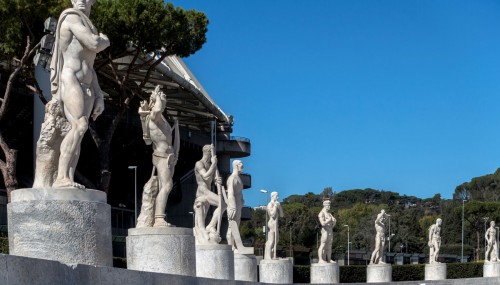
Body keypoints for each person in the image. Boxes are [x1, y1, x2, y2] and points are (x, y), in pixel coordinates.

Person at [50, 0, 110, 188]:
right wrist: (105, 40)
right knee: (79, 125)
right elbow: (94, 43)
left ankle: (68, 177)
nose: (81, 1)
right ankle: (61, 178)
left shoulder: (89, 25)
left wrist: (100, 95)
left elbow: (89, 68)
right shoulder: (71, 17)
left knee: (80, 133)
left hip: (87, 84)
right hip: (70, 79)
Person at [136, 85, 179, 227]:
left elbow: (148, 141)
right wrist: (156, 97)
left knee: (165, 186)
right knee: (167, 185)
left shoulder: (158, 118)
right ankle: (159, 218)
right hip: (162, 156)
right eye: (163, 96)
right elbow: (158, 109)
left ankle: (158, 216)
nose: (164, 99)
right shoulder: (154, 116)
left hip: (168, 157)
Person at [193, 145, 224, 243]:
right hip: (202, 192)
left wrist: (217, 180)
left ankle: (210, 226)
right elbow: (205, 176)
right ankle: (203, 230)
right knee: (221, 203)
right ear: (207, 152)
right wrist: (214, 164)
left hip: (208, 191)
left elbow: (214, 180)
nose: (212, 156)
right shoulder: (199, 164)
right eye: (211, 153)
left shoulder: (211, 165)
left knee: (222, 205)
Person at [226, 160, 244, 250]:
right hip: (233, 206)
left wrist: (242, 201)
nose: (243, 166)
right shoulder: (232, 178)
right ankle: (231, 247)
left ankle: (235, 245)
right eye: (241, 165)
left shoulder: (239, 178)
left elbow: (240, 193)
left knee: (236, 226)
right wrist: (232, 206)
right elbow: (230, 193)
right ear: (236, 166)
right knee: (231, 226)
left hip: (238, 205)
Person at [264, 191, 284, 260]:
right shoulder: (269, 204)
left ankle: (273, 254)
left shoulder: (277, 204)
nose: (278, 197)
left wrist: (279, 206)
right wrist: (275, 206)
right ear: (272, 196)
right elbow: (272, 214)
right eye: (276, 196)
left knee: (276, 240)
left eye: (278, 196)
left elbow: (281, 215)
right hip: (272, 223)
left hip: (276, 224)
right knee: (271, 240)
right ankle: (268, 256)